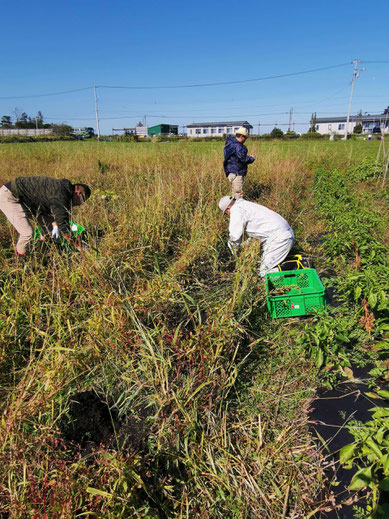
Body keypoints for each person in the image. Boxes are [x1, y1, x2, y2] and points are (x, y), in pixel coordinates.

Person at [0, 176, 91, 255]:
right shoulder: (61, 196)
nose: (80, 204)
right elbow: (64, 228)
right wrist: (78, 246)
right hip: (10, 195)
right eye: (82, 200)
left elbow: (59, 218)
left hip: (27, 199)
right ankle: (21, 261)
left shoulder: (63, 190)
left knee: (49, 228)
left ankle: (42, 254)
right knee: (27, 233)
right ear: (78, 193)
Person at [218, 196, 294, 278]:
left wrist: (234, 255)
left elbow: (235, 237)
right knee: (263, 266)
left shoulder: (236, 209)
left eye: (226, 214)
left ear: (228, 209)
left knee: (265, 272)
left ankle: (295, 267)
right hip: (280, 235)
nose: (228, 217)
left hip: (279, 239)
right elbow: (257, 234)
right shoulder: (246, 205)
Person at [223, 126, 255, 199]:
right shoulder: (238, 146)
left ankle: (233, 208)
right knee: (238, 195)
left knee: (234, 193)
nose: (245, 140)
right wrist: (251, 158)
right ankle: (238, 209)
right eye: (245, 138)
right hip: (237, 172)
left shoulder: (229, 144)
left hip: (230, 172)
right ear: (241, 136)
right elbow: (243, 158)